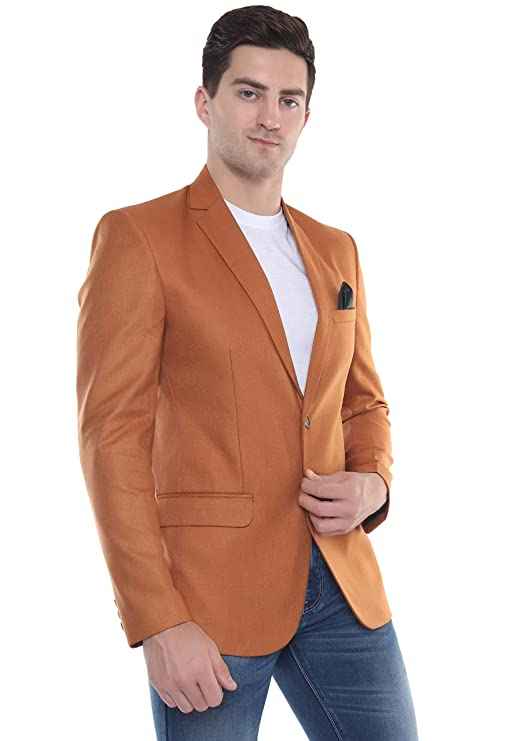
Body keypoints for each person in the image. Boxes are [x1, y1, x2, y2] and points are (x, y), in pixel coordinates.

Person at [76, 5, 419, 739]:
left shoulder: (335, 248)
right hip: (207, 598)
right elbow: (112, 438)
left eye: (289, 99)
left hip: (340, 581)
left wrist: (374, 481)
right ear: (205, 102)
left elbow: (363, 401)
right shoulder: (138, 237)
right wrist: (157, 620)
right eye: (248, 92)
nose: (270, 116)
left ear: (306, 116)